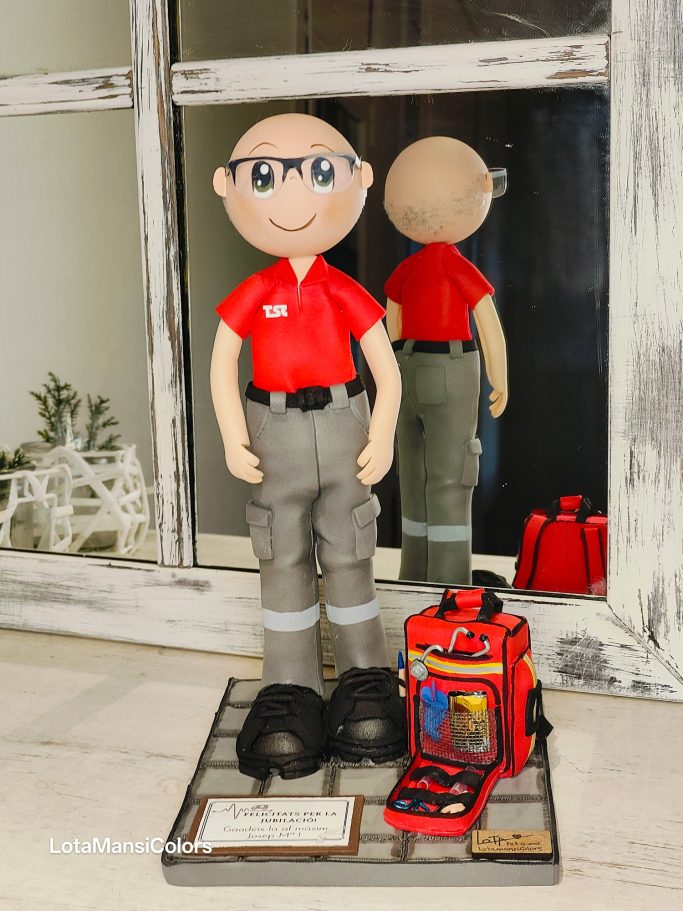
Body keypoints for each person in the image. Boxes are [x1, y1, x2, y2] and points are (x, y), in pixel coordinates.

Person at [210, 113, 404, 780]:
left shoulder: (344, 289)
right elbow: (222, 363)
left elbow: (385, 369)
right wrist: (233, 434)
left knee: (350, 550)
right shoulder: (255, 291)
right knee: (281, 553)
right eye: (264, 176)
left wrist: (382, 430)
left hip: (346, 423)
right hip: (275, 431)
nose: (293, 194)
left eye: (319, 172)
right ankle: (289, 684)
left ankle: (364, 676)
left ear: (359, 179)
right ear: (227, 185)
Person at [383, 137, 509, 584]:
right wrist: (499, 377)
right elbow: (488, 324)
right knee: (451, 476)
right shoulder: (457, 266)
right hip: (451, 368)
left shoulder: (408, 269)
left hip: (407, 365)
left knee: (413, 475)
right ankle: (448, 582)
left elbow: (393, 323)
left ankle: (414, 573)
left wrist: (394, 368)